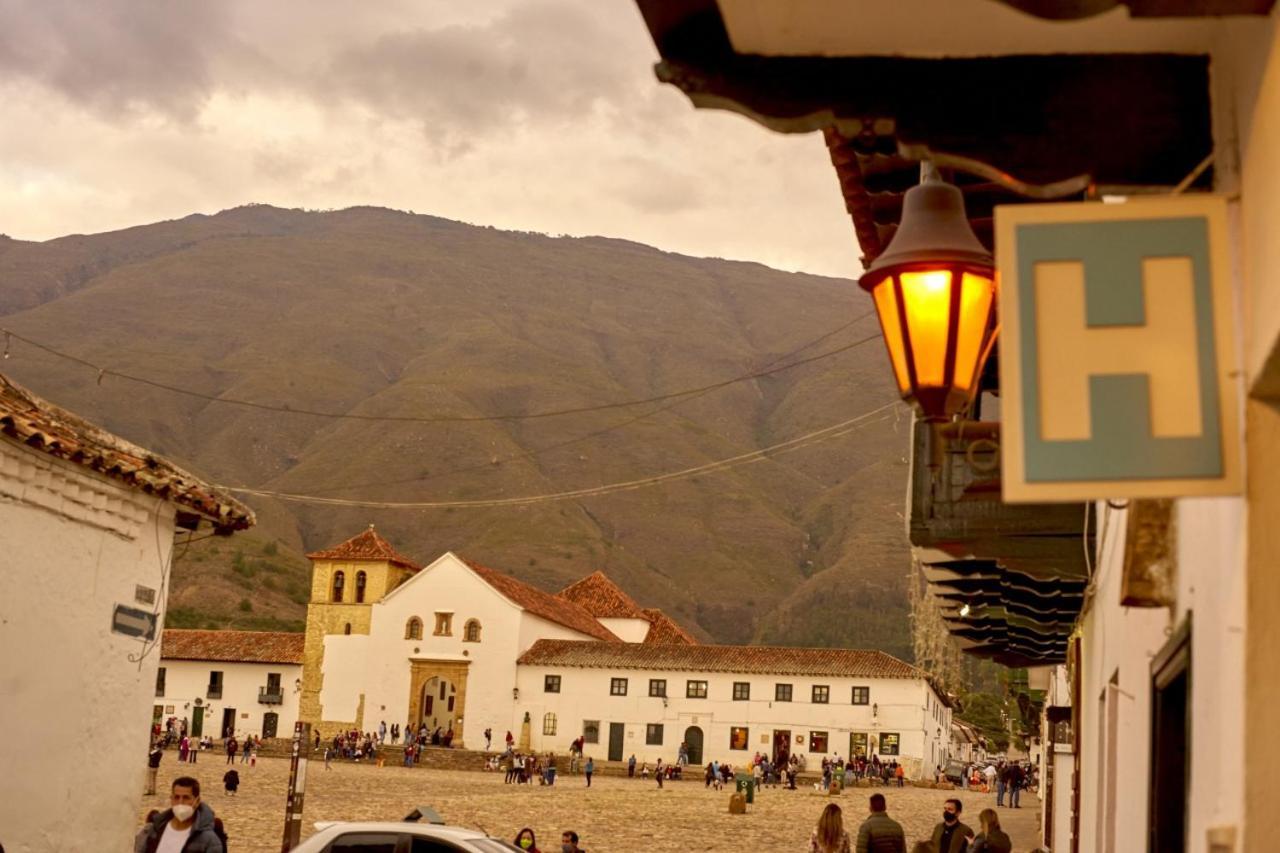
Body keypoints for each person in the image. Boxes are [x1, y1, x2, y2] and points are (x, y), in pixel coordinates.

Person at [137, 776, 224, 853]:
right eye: (176, 797)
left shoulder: (209, 841)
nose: (180, 802)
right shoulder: (153, 830)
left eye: (186, 798)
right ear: (171, 799)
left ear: (197, 801)